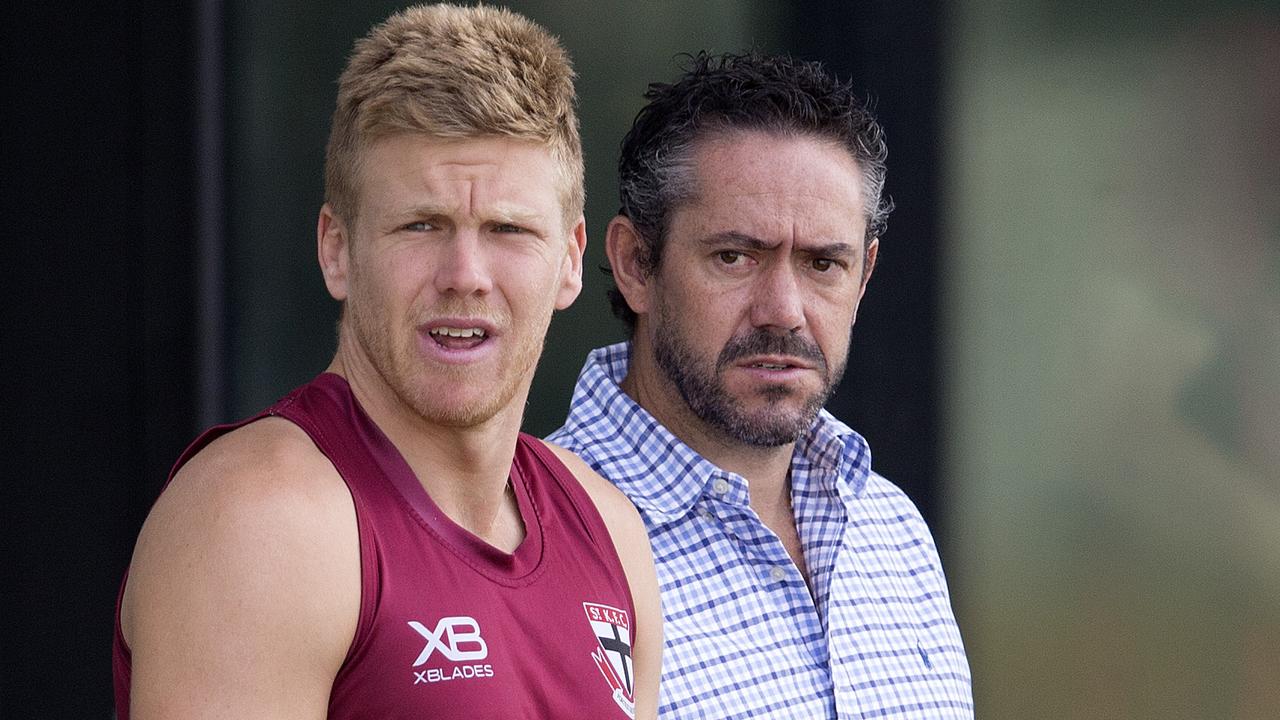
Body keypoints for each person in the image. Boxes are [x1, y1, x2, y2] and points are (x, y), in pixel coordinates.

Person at [112, 6, 660, 719]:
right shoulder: (263, 519)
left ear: (569, 260)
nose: (465, 274)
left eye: (507, 230)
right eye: (421, 225)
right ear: (336, 249)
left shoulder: (609, 529)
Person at [550, 52, 973, 718]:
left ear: (863, 276)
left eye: (823, 263)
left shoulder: (892, 532)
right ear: (635, 264)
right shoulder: (535, 543)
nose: (783, 308)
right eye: (734, 256)